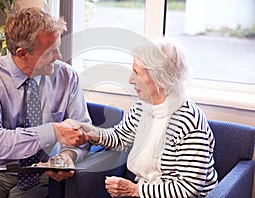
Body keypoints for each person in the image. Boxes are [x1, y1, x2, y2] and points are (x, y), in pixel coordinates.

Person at [0, 7, 91, 198]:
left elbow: (84, 132)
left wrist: (67, 157)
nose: (59, 57)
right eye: (50, 52)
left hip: (43, 174)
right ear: (22, 54)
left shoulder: (67, 77)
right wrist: (52, 131)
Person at [63, 38, 218, 197]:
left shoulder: (189, 123)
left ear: (160, 78)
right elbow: (120, 139)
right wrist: (90, 132)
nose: (131, 80)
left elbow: (189, 189)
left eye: (137, 73)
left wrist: (135, 190)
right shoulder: (142, 107)